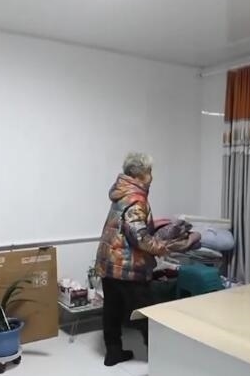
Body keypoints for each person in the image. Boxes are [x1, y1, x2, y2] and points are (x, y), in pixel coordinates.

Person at [94, 152, 168, 367]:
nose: (152, 176)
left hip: (109, 262)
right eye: (150, 172)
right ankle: (161, 360)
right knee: (146, 313)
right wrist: (161, 248)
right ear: (140, 174)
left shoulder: (121, 192)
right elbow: (139, 237)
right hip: (127, 267)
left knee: (112, 309)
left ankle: (113, 353)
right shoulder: (136, 198)